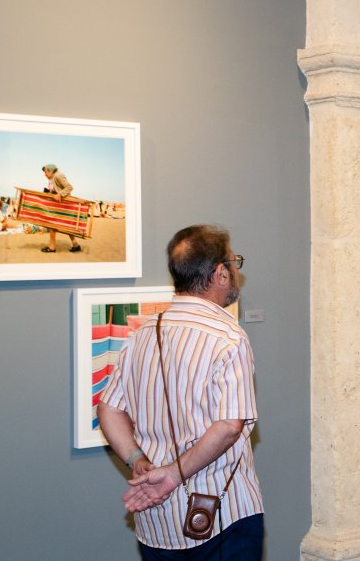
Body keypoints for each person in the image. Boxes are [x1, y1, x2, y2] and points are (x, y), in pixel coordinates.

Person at [97, 225, 263, 558]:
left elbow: (108, 409)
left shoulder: (143, 335)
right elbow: (230, 426)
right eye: (235, 263)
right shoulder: (228, 338)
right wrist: (172, 474)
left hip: (156, 521)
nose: (236, 271)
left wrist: (137, 460)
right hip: (220, 515)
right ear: (220, 273)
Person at [40, 164, 83, 253]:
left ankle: (52, 247)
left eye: (46, 172)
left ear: (51, 171)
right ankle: (76, 245)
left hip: (65, 204)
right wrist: (50, 192)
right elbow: (58, 189)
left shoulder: (58, 175)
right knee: (65, 224)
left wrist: (60, 194)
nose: (45, 174)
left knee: (51, 224)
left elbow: (70, 187)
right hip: (62, 204)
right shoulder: (53, 178)